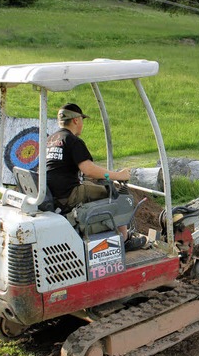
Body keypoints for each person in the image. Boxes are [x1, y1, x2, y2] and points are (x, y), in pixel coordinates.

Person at [46, 103, 149, 250]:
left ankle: (107, 233)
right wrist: (118, 175)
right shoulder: (72, 141)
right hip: (68, 194)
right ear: (76, 120)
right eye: (82, 120)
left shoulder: (51, 139)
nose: (82, 124)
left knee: (95, 188)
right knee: (115, 195)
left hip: (54, 193)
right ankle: (124, 241)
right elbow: (89, 170)